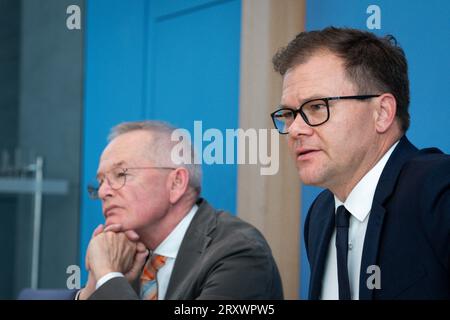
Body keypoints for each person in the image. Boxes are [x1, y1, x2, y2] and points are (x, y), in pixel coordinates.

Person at [270, 27, 450, 299]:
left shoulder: (438, 189)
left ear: (382, 113)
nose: (295, 129)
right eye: (288, 114)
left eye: (316, 107)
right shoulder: (319, 215)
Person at [78, 120, 283, 300]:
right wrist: (92, 287)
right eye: (101, 181)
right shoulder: (127, 255)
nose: (104, 191)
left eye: (121, 174)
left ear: (176, 183)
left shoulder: (239, 253)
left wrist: (108, 276)